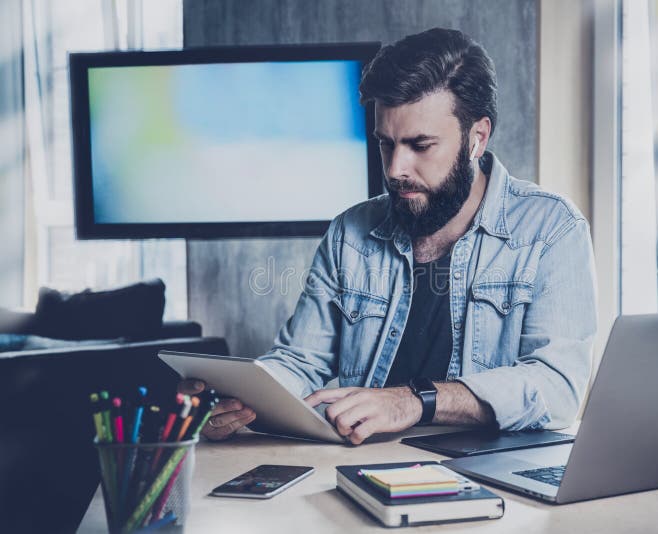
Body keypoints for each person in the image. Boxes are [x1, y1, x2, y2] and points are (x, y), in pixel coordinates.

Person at [180, 28, 597, 445]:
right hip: (361, 468)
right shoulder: (349, 234)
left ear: (477, 137)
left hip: (490, 480)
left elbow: (557, 387)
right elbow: (300, 362)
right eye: (386, 144)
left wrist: (416, 401)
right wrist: (240, 396)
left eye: (420, 145)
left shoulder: (552, 229)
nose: (396, 168)